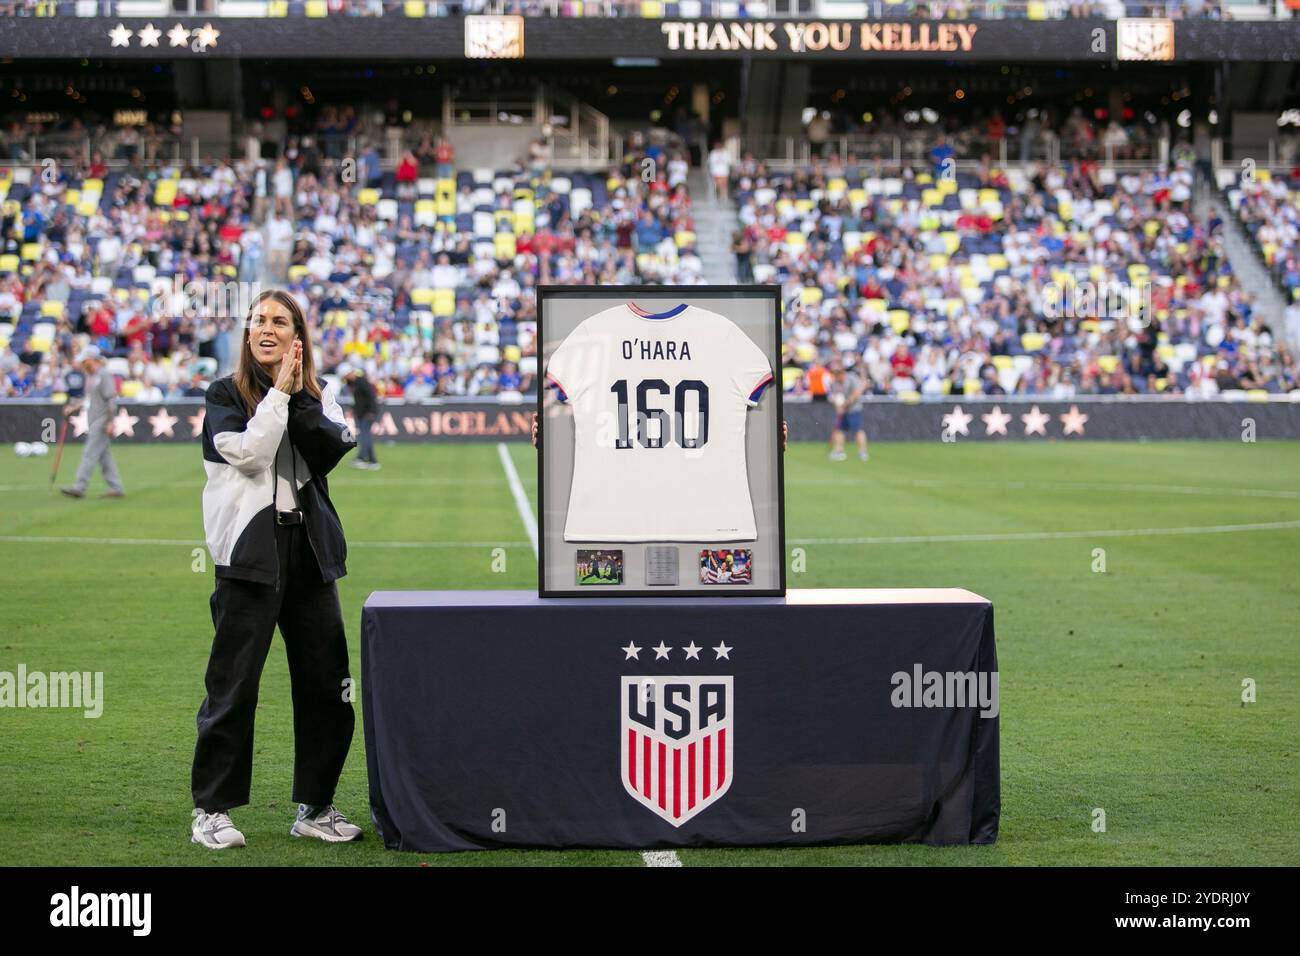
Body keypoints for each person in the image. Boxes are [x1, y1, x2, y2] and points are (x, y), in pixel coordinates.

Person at [190, 289, 361, 850]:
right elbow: (252, 454)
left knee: (327, 685)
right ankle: (212, 811)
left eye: (279, 321)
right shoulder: (223, 393)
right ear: (246, 333)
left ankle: (316, 806)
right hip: (249, 555)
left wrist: (299, 391)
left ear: (298, 336)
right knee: (233, 687)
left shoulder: (321, 393)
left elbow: (334, 445)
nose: (266, 328)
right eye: (258, 320)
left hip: (309, 552)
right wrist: (278, 398)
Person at [60, 346, 125, 499]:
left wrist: (110, 421)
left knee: (89, 453)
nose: (82, 364)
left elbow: (111, 399)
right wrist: (74, 406)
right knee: (105, 457)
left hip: (101, 421)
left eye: (84, 361)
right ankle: (116, 487)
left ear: (91, 359)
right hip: (95, 419)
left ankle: (79, 486)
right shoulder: (92, 376)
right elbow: (89, 398)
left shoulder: (104, 375)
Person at [340, 364, 380, 470]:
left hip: (367, 413)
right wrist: (353, 408)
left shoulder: (361, 382)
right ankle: (372, 460)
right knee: (366, 436)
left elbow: (371, 396)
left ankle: (361, 458)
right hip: (363, 413)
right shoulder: (355, 383)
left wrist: (371, 411)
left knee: (364, 436)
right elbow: (360, 400)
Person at [828, 361, 869, 462]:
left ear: (842, 373)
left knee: (857, 430)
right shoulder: (834, 383)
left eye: (838, 373)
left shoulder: (851, 378)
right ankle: (839, 452)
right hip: (843, 410)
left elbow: (856, 393)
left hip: (854, 409)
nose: (836, 375)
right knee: (839, 430)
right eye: (834, 373)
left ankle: (862, 452)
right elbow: (835, 396)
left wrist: (846, 404)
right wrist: (838, 407)